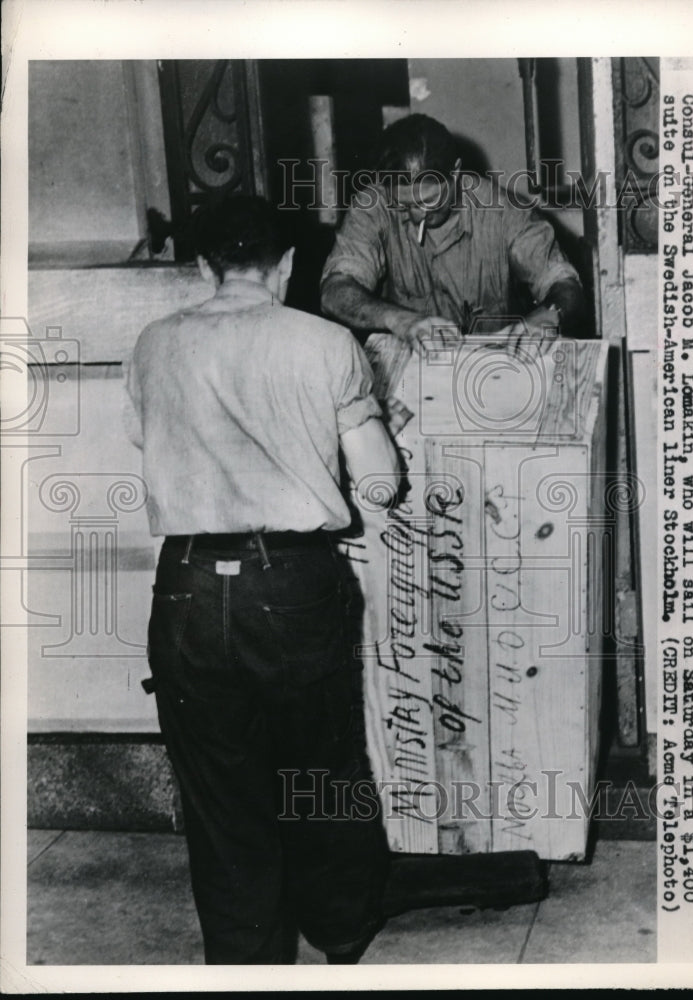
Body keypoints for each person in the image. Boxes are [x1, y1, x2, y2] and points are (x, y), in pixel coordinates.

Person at [123, 195, 399, 965]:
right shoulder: (324, 341)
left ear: (204, 267)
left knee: (220, 794)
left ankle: (248, 963)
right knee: (321, 765)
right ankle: (340, 928)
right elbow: (378, 484)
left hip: (183, 588)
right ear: (285, 265)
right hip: (293, 586)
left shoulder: (152, 343)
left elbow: (153, 442)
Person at [320, 113, 589, 349]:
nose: (417, 215)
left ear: (456, 173)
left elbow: (564, 284)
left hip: (495, 364)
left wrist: (549, 314)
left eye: (429, 200)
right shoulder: (371, 208)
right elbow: (335, 292)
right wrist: (399, 319)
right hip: (409, 365)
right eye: (402, 204)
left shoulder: (505, 212)